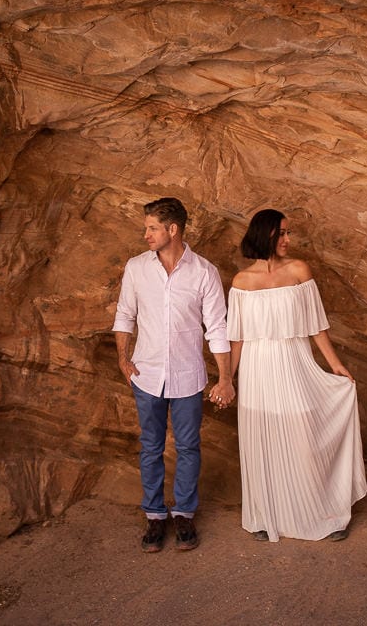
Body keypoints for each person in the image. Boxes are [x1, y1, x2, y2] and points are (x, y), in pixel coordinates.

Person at [227, 209, 367, 542]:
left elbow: (316, 325)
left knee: (304, 434)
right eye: (282, 234)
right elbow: (237, 338)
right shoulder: (241, 281)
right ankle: (265, 514)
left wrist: (334, 364)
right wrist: (227, 378)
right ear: (266, 235)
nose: (288, 240)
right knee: (261, 436)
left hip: (293, 359)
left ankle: (324, 512)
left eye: (289, 233)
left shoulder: (299, 271)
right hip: (256, 368)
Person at [113, 197, 236, 553]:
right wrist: (123, 358)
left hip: (187, 376)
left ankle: (183, 513)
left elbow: (217, 328)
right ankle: (154, 516)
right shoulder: (136, 268)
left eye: (152, 227)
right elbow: (125, 315)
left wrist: (225, 378)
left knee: (188, 446)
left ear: (173, 229)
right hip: (146, 374)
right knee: (150, 447)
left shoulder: (204, 272)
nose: (146, 233)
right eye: (146, 227)